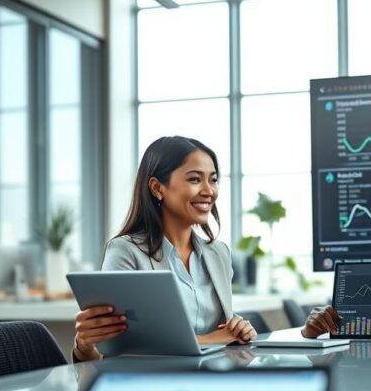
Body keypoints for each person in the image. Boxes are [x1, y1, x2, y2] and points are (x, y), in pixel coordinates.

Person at [72, 136, 255, 361]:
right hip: (149, 383)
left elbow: (223, 329)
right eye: (195, 179)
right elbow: (125, 346)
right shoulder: (126, 251)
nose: (209, 191)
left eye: (213, 180)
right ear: (158, 188)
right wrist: (211, 338)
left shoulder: (219, 253)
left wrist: (238, 328)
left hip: (210, 380)